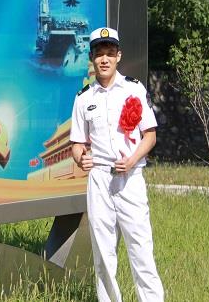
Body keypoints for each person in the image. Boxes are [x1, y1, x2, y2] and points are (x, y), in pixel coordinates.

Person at [70, 27, 164, 302]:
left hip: (130, 179)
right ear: (91, 57)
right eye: (99, 54)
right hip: (99, 179)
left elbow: (150, 136)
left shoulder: (134, 89)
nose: (104, 59)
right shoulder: (84, 98)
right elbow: (77, 143)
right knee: (103, 254)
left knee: (141, 249)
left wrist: (132, 159)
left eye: (110, 53)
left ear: (119, 56)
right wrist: (80, 157)